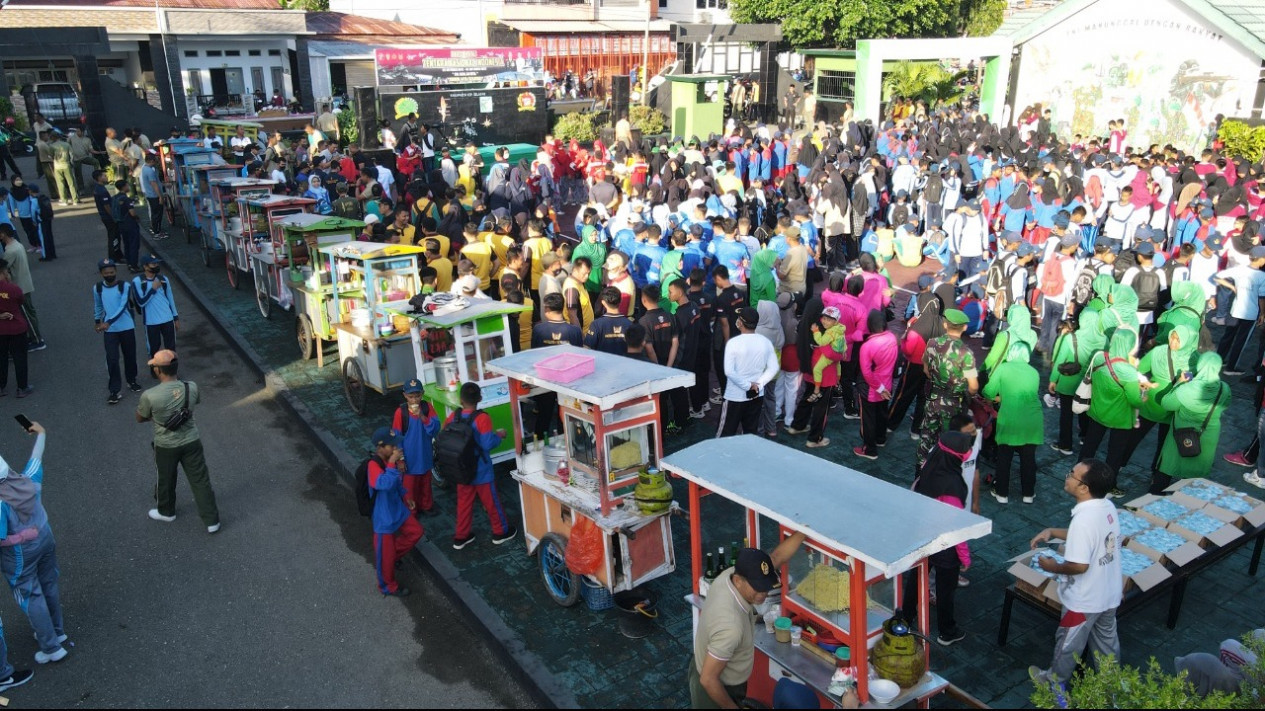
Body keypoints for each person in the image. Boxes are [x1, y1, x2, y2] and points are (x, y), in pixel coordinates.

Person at [1028, 459, 1123, 690]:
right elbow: (1091, 536)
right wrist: (1052, 531)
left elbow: (1079, 566)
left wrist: (1052, 567)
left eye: (1072, 474)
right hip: (1109, 594)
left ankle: (1054, 685)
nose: (1067, 476)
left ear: (1084, 488)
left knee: (1067, 646)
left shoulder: (1083, 520)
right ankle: (1113, 692)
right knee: (1107, 645)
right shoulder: (1107, 507)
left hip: (1083, 602)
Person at [691, 532, 810, 709]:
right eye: (757, 587)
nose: (763, 593)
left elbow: (776, 558)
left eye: (766, 586)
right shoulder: (731, 627)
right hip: (715, 689)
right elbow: (708, 680)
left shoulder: (729, 575)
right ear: (739, 581)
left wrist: (803, 532)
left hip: (708, 667)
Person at [898, 430, 974, 647]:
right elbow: (956, 528)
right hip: (945, 546)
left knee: (916, 579)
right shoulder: (952, 485)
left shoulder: (929, 467)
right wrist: (965, 558)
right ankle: (947, 631)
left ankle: (906, 617)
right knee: (945, 588)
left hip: (923, 536)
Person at [0, 420, 67, 664]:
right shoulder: (27, 480)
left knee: (30, 596)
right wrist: (41, 432)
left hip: (20, 555)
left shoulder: (0, 504)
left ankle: (50, 647)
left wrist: (19, 537)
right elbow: (36, 457)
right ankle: (58, 633)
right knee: (49, 584)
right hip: (46, 539)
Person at [135, 350, 221, 533]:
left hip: (165, 445)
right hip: (191, 441)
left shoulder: (150, 395)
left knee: (165, 478)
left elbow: (140, 417)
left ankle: (166, 511)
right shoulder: (191, 386)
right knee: (200, 479)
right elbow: (195, 402)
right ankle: (212, 520)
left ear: (158, 371)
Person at [445, 382, 517, 550]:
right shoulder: (482, 418)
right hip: (481, 469)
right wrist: (499, 435)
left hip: (461, 469)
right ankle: (500, 532)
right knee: (491, 502)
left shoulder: (453, 417)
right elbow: (487, 443)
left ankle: (460, 537)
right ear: (480, 398)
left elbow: (445, 434)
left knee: (463, 503)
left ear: (461, 399)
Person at [1078, 329, 1145, 496]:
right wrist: (1144, 391)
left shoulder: (1100, 357)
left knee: (1089, 447)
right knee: (1114, 455)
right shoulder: (1128, 372)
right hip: (1120, 419)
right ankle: (1108, 486)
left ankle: (1079, 476)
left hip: (1097, 412)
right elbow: (1135, 400)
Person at [1154, 351, 1230, 493]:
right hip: (1207, 436)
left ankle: (1155, 497)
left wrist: (1179, 383)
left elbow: (1166, 403)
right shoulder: (1223, 388)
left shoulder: (1187, 389)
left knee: (1168, 467)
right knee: (1195, 473)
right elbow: (1225, 404)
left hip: (1181, 434)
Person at [364, 426, 422, 597]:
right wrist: (391, 464)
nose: (396, 449)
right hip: (384, 518)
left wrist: (406, 497)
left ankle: (392, 557)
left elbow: (396, 483)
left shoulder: (390, 461)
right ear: (381, 448)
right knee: (385, 555)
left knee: (416, 532)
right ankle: (387, 586)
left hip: (397, 509)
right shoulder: (373, 466)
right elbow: (384, 484)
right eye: (392, 446)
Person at [983, 341, 1044, 504]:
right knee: (1028, 458)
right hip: (1033, 419)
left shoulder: (1003, 368)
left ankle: (1002, 493)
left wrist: (992, 398)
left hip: (1010, 418)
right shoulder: (1034, 372)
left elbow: (988, 391)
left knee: (1004, 456)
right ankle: (1028, 494)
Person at [919, 309, 979, 471]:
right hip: (954, 405)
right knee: (949, 442)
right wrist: (967, 393)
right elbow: (973, 386)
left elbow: (926, 370)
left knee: (927, 439)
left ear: (945, 325)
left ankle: (921, 472)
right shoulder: (966, 354)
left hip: (933, 399)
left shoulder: (931, 343)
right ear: (965, 328)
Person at [717, 307, 779, 438]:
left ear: (740, 322)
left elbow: (729, 371)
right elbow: (773, 368)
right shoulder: (765, 342)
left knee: (724, 434)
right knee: (750, 434)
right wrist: (758, 385)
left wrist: (747, 385)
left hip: (734, 397)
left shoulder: (733, 343)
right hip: (756, 395)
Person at [391, 378, 442, 516]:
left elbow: (435, 429)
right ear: (404, 395)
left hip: (425, 455)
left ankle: (426, 506)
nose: (414, 400)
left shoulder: (427, 408)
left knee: (425, 483)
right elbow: (396, 437)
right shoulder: (400, 413)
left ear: (422, 394)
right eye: (411, 396)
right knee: (409, 487)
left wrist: (422, 417)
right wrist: (400, 459)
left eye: (417, 396)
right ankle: (411, 512)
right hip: (409, 459)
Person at [94, 259, 142, 405]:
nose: (109, 275)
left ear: (115, 272)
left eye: (112, 272)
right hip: (110, 331)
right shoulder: (97, 288)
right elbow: (98, 305)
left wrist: (107, 322)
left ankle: (131, 380)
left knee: (130, 356)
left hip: (126, 327)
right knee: (112, 359)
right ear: (101, 273)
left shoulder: (125, 286)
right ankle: (114, 391)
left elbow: (122, 308)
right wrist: (97, 322)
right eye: (106, 273)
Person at [855, 309, 897, 460]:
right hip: (887, 385)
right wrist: (883, 388)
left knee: (868, 418)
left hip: (872, 388)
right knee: (881, 413)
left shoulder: (868, 346)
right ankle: (881, 439)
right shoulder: (892, 338)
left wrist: (878, 388)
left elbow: (866, 373)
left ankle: (869, 450)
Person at [0, 224, 42, 352]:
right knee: (30, 312)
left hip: (20, 286)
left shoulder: (10, 251)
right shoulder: (17, 245)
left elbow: (5, 269)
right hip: (25, 283)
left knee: (27, 314)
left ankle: (37, 340)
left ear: (3, 234)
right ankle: (35, 336)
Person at [131, 256, 178, 358]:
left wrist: (176, 317)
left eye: (157, 263)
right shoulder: (137, 281)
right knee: (154, 350)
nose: (156, 266)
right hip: (151, 322)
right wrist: (153, 289)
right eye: (153, 264)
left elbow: (170, 299)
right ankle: (155, 372)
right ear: (145, 266)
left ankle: (172, 372)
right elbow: (140, 302)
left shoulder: (164, 279)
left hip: (168, 320)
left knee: (171, 349)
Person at [0, 257, 31, 397]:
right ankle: (22, 388)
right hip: (17, 327)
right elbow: (21, 301)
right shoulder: (13, 288)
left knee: (1, 357)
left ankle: (1, 387)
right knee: (19, 357)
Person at [806, 306, 845, 404]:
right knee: (838, 365)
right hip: (839, 353)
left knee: (817, 369)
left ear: (835, 321)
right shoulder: (840, 328)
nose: (825, 322)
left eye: (829, 320)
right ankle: (837, 382)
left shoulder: (830, 332)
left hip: (830, 355)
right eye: (824, 318)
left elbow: (821, 342)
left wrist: (816, 331)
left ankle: (816, 390)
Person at [139, 154, 165, 238]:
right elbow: (154, 184)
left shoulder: (144, 169)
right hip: (154, 196)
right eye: (155, 160)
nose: (156, 162)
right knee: (157, 214)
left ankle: (157, 230)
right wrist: (160, 196)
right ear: (151, 161)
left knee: (155, 213)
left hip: (150, 195)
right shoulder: (149, 171)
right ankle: (157, 232)